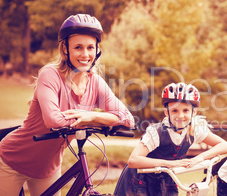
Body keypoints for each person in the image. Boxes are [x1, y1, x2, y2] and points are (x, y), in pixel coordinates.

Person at [0, 14, 135, 196]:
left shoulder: (95, 83)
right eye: (78, 47)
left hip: (48, 170)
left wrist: (91, 116)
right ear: (65, 49)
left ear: (97, 50)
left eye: (90, 47)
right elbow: (53, 120)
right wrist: (104, 119)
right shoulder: (50, 75)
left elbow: (127, 119)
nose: (85, 54)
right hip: (12, 162)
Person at [114, 82, 227, 196]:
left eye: (185, 110)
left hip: (165, 181)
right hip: (138, 182)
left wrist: (200, 158)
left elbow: (225, 146)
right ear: (167, 112)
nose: (180, 116)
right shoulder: (157, 132)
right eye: (174, 110)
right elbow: (133, 161)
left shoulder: (194, 130)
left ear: (193, 112)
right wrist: (171, 164)